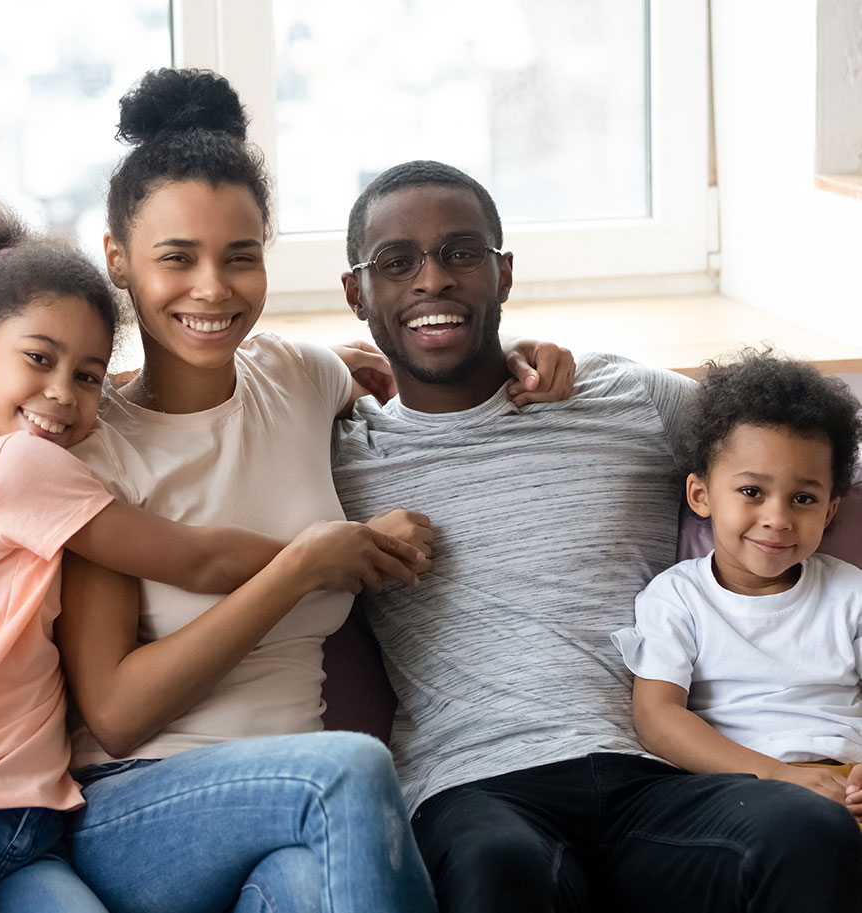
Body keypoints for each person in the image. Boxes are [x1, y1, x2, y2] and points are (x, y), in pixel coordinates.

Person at [56, 69, 565, 913]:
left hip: (310, 817)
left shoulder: (296, 376)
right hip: (141, 805)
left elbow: (420, 363)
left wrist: (531, 355)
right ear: (118, 260)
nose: (212, 289)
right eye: (176, 259)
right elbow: (113, 713)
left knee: (303, 886)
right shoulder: (97, 448)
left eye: (240, 257)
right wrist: (296, 570)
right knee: (355, 765)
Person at [330, 160, 862, 913]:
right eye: (396, 262)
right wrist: (314, 366)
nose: (431, 280)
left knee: (807, 830)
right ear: (355, 293)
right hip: (474, 787)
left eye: (460, 253)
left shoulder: (621, 396)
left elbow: (800, 447)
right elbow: (200, 420)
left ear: (503, 273)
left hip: (653, 776)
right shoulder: (339, 453)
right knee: (498, 875)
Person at [0, 200, 418, 912]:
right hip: (85, 800)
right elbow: (198, 558)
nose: (62, 393)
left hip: (27, 823)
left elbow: (294, 375)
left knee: (304, 884)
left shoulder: (50, 452)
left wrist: (495, 357)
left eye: (86, 374)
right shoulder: (32, 464)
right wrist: (321, 556)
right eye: (39, 360)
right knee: (349, 771)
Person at [612, 349, 862, 818]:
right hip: (737, 789)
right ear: (701, 495)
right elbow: (658, 720)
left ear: (830, 511)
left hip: (847, 781)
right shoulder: (677, 597)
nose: (777, 519)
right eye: (752, 492)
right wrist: (777, 775)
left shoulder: (851, 594)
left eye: (803, 498)